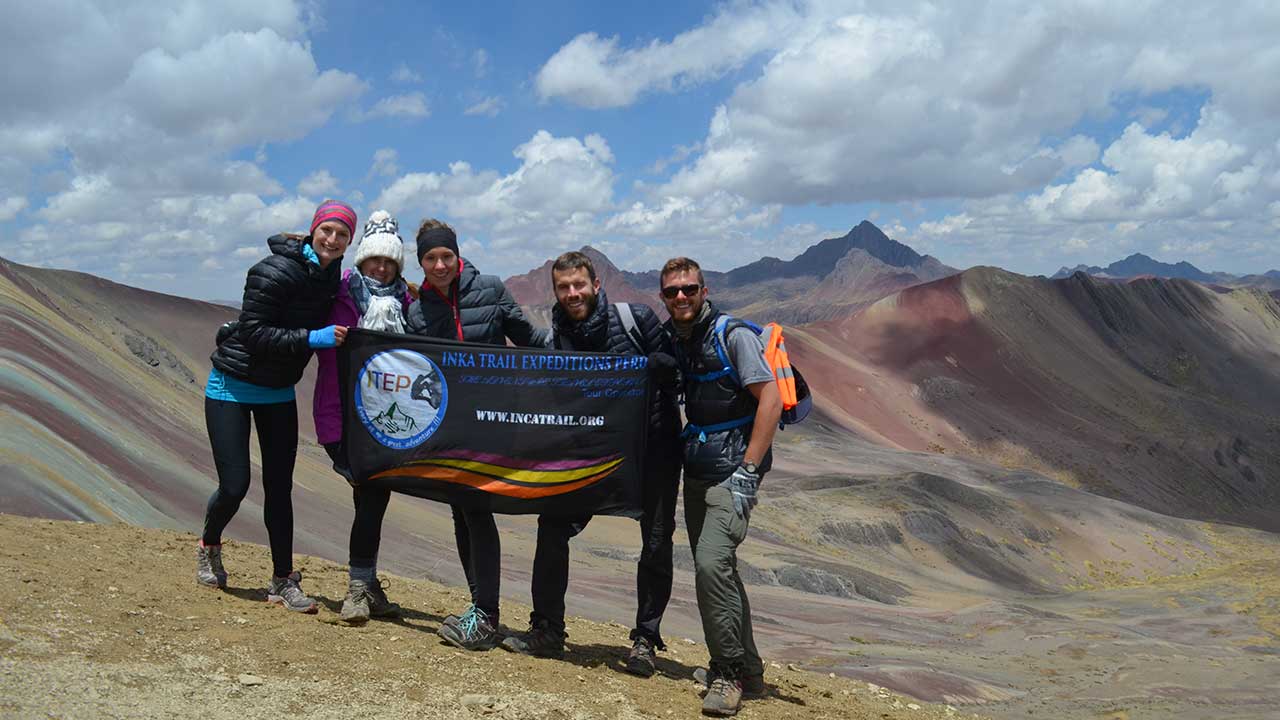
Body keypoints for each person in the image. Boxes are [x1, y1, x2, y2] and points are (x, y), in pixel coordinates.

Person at [501, 251, 682, 674]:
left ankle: (644, 640)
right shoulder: (558, 336)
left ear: (596, 285)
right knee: (552, 525)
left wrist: (661, 370)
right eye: (563, 287)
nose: (572, 293)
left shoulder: (638, 320)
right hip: (591, 453)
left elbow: (677, 374)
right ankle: (547, 629)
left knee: (655, 543)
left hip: (651, 452)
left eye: (578, 285)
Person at [197, 199, 357, 613]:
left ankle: (283, 580)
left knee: (280, 488)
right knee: (234, 487)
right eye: (328, 230)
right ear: (313, 230)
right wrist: (311, 338)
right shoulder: (273, 270)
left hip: (279, 391)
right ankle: (209, 544)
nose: (333, 239)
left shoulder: (330, 275)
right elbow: (252, 332)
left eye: (342, 235)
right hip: (232, 386)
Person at [404, 218, 549, 650]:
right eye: (430, 258)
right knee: (463, 512)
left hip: (496, 418)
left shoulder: (489, 288)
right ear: (421, 262)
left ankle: (485, 615)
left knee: (475, 507)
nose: (440, 264)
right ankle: (480, 608)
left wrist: (584, 357)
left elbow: (526, 338)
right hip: (450, 424)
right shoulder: (417, 310)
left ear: (458, 254)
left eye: (446, 255)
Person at [659, 257, 781, 717]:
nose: (681, 297)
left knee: (711, 564)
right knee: (719, 569)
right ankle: (750, 671)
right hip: (699, 467)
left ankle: (726, 675)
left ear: (704, 290)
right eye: (672, 292)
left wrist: (749, 471)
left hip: (734, 470)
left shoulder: (734, 336)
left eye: (689, 289)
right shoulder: (678, 338)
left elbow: (769, 396)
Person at [311, 210, 417, 624]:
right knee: (370, 492)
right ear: (361, 260)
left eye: (389, 261)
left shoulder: (408, 302)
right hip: (341, 414)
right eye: (375, 259)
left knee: (372, 495)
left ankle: (365, 583)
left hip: (387, 418)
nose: (381, 266)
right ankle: (359, 587)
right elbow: (316, 346)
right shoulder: (336, 297)